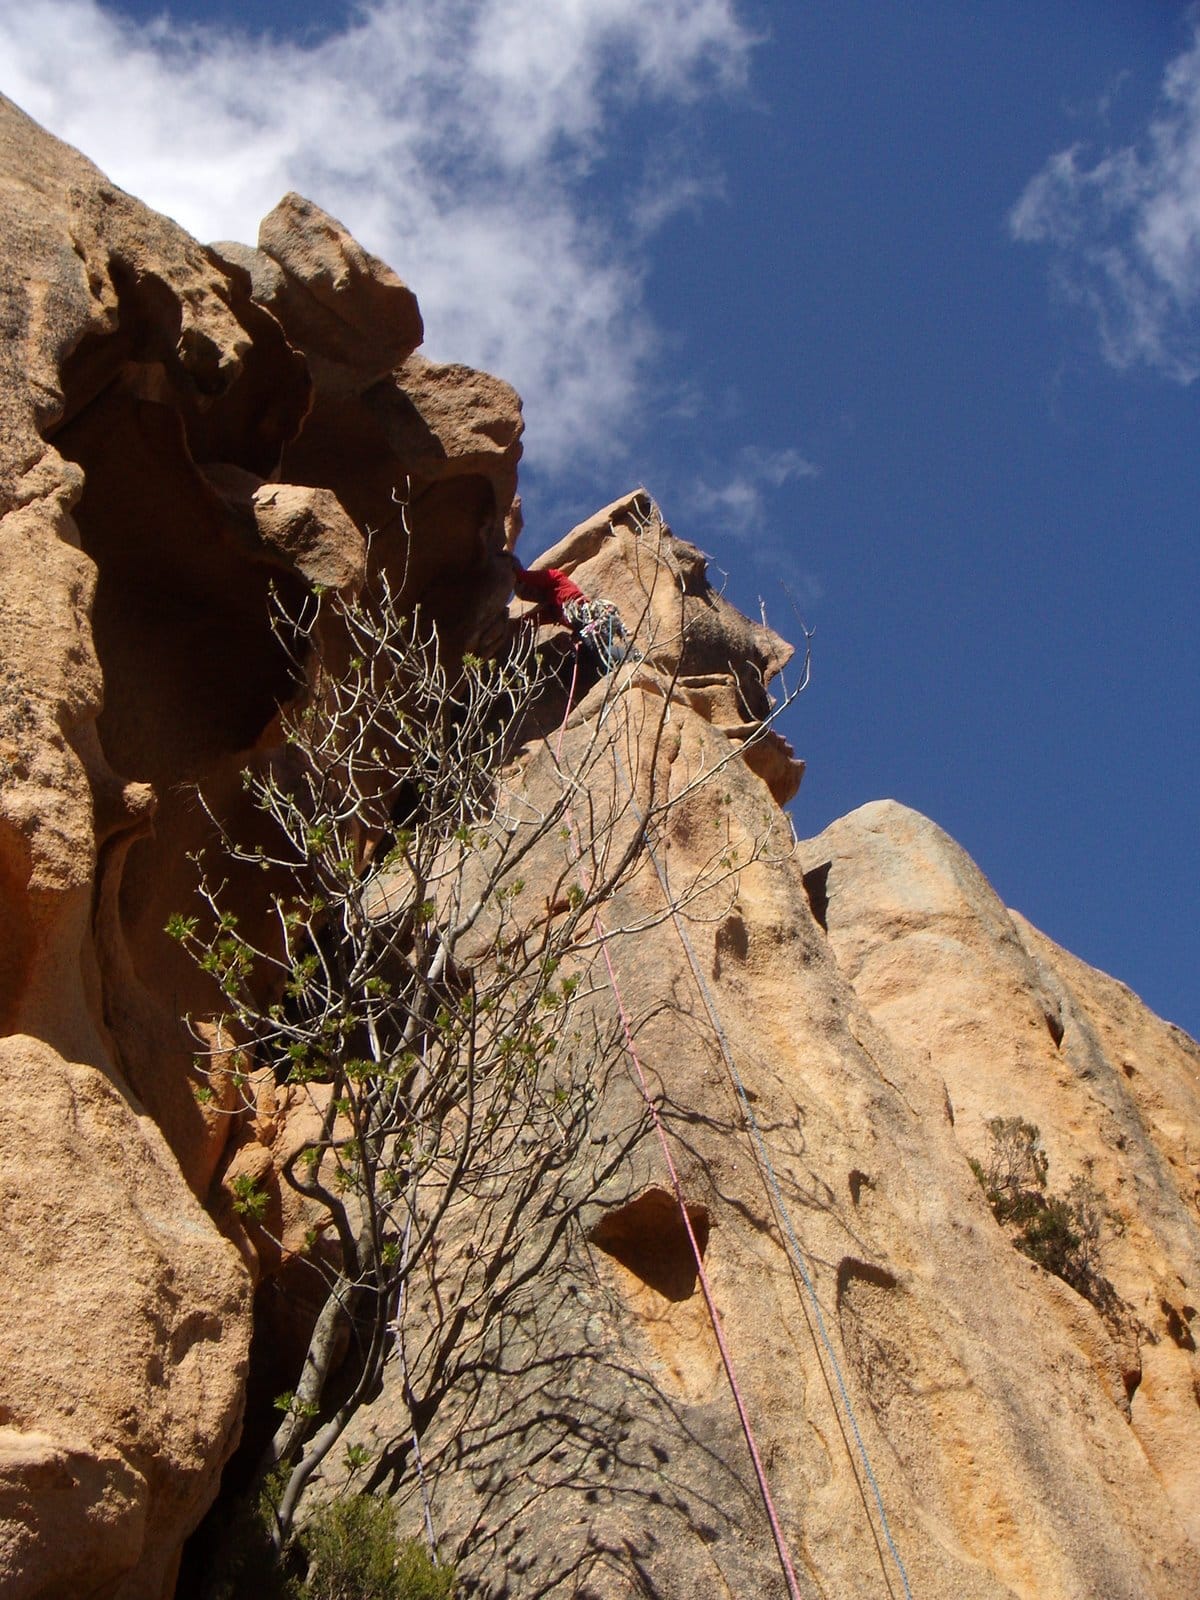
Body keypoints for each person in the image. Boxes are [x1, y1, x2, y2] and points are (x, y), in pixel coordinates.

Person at [508, 554, 633, 672]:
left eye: (528, 589)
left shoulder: (555, 579)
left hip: (591, 617)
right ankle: (624, 660)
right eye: (526, 595)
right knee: (592, 655)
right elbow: (530, 620)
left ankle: (633, 658)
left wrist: (512, 570)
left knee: (600, 650)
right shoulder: (553, 609)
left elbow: (525, 575)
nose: (531, 594)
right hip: (590, 623)